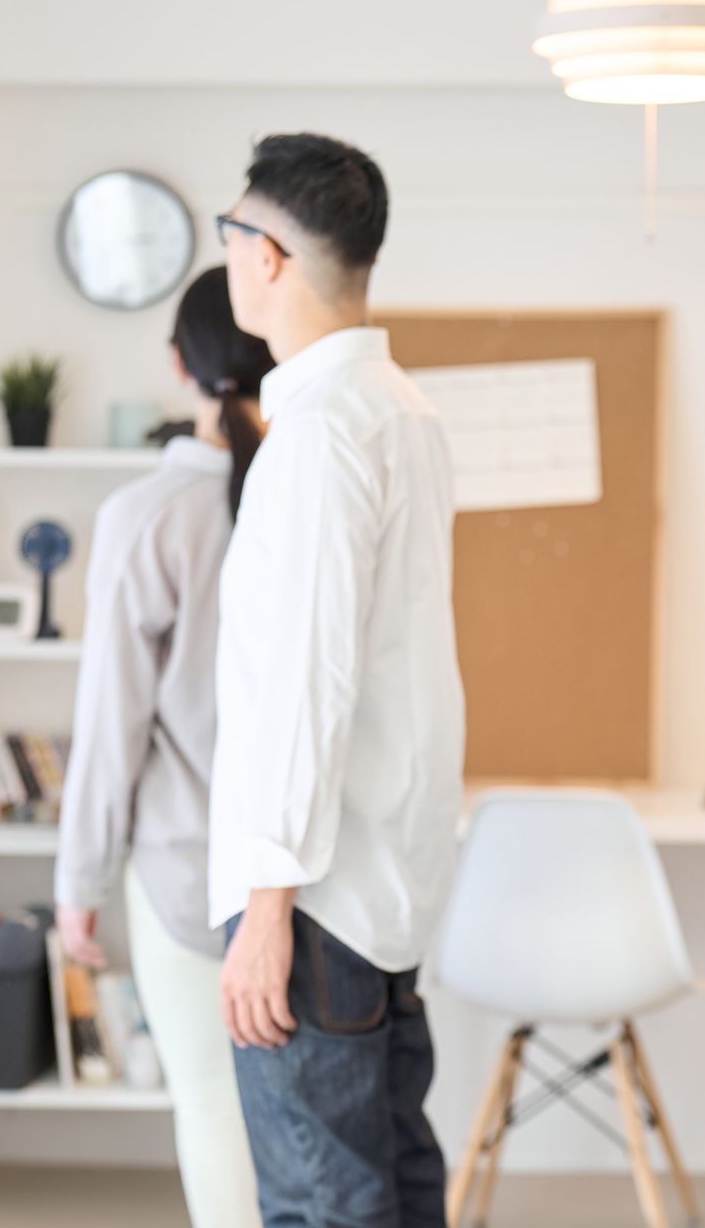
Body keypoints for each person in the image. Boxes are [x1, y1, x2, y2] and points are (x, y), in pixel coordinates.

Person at [207, 132, 464, 1228]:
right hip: (378, 889)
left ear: (268, 254)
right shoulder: (401, 408)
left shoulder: (315, 434)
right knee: (393, 1189)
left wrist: (267, 905)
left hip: (309, 897)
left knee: (326, 1203)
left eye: (231, 235)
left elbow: (304, 684)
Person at [54, 265, 272, 1228]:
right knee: (302, 1125)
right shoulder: (308, 494)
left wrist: (77, 885)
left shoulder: (144, 517)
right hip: (313, 874)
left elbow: (112, 727)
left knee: (215, 1116)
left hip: (184, 876)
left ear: (178, 363)